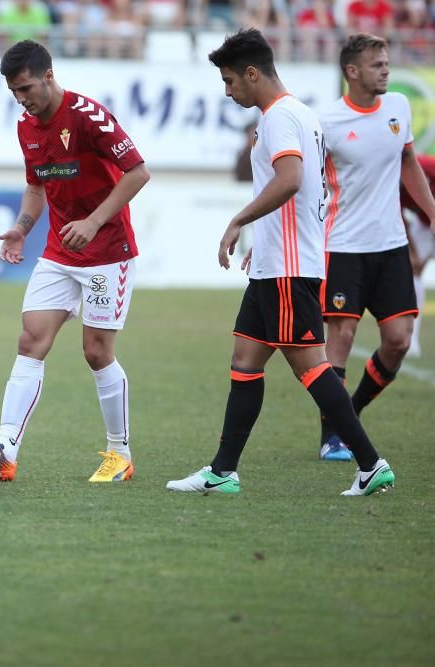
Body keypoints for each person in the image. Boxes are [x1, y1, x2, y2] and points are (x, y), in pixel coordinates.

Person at [166, 28, 395, 496]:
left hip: (288, 269)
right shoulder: (300, 114)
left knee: (311, 368)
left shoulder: (279, 119)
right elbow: (309, 190)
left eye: (231, 81)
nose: (228, 91)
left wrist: (238, 221)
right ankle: (223, 471)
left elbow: (290, 180)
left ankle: (371, 465)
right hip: (275, 263)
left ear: (253, 74)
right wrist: (263, 238)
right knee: (245, 360)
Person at [0, 40, 151, 483]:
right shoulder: (26, 127)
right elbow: (36, 186)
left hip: (107, 254)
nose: (22, 99)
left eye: (26, 88)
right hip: (60, 254)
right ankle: (5, 451)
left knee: (96, 352)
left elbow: (139, 172)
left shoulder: (88, 118)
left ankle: (120, 454)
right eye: (14, 93)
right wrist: (22, 228)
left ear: (48, 75)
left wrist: (95, 221)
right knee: (30, 341)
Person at [315, 34, 435, 459]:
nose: (386, 70)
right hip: (344, 245)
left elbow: (407, 162)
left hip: (391, 246)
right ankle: (332, 436)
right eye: (377, 64)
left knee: (399, 341)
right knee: (342, 335)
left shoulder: (398, 108)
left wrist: (432, 210)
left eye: (387, 63)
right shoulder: (326, 122)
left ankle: (351, 411)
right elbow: (303, 186)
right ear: (352, 71)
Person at [401, 154, 435, 357]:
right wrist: (412, 251)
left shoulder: (426, 165)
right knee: (412, 270)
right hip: (423, 225)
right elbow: (400, 216)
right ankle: (411, 340)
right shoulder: (389, 180)